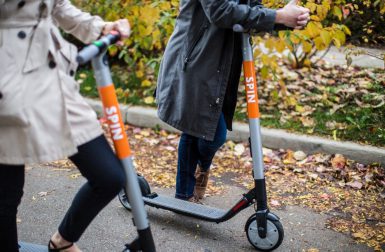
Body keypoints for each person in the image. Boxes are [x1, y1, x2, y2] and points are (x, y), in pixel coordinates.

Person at [0, 1, 131, 251]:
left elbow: (56, 5)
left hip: (51, 75)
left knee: (109, 176)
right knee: (6, 197)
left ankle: (62, 241)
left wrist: (100, 27)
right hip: (6, 80)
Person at [155, 0, 310, 202]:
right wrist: (278, 16)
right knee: (208, 131)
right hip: (195, 60)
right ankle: (186, 192)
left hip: (224, 61)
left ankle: (184, 193)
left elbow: (252, 8)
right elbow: (220, 11)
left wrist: (289, 18)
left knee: (201, 127)